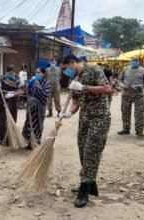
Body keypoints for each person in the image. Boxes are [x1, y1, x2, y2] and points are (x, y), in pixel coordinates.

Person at [59, 54, 112, 208]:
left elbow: (107, 88)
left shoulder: (94, 69)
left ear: (72, 63)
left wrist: (84, 87)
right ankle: (91, 185)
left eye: (66, 69)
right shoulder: (74, 80)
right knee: (83, 152)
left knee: (91, 152)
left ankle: (84, 189)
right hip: (85, 119)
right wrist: (69, 112)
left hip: (99, 118)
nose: (66, 72)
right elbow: (75, 101)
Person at [118, 57, 144, 137]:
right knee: (125, 112)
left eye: (136, 60)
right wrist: (123, 86)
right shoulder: (125, 69)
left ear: (139, 61)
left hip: (139, 95)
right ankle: (126, 129)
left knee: (139, 113)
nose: (134, 62)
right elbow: (119, 80)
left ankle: (139, 131)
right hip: (126, 95)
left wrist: (143, 87)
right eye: (133, 60)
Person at [0, 65, 23, 146]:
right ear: (7, 71)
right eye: (9, 72)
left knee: (12, 118)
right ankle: (0, 138)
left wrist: (13, 94)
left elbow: (20, 90)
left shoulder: (17, 78)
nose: (10, 73)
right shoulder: (2, 78)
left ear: (13, 71)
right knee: (2, 119)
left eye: (12, 72)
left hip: (13, 101)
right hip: (3, 101)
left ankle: (10, 139)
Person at [22, 68, 50, 148]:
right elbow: (27, 91)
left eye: (39, 72)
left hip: (40, 108)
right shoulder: (33, 82)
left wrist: (39, 87)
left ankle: (37, 141)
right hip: (31, 107)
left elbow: (45, 95)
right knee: (29, 123)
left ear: (44, 74)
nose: (37, 74)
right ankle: (29, 142)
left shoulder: (46, 84)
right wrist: (25, 86)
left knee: (38, 124)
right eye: (36, 72)